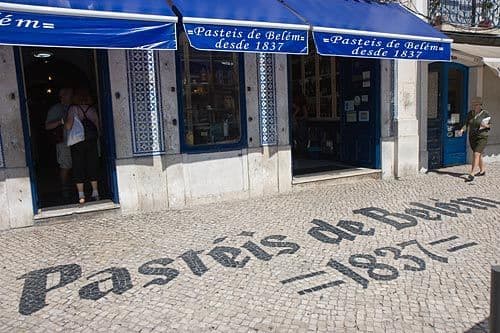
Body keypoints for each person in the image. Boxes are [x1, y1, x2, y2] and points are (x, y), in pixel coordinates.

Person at [65, 88, 100, 204]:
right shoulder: (92, 109)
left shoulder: (73, 109)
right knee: (92, 164)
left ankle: (81, 195)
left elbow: (69, 126)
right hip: (91, 141)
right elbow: (97, 127)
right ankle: (95, 192)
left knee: (78, 166)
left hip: (78, 142)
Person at [45, 88, 73, 199]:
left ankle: (75, 188)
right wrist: (60, 121)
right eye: (70, 95)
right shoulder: (56, 109)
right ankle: (64, 189)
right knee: (65, 166)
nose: (72, 97)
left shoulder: (73, 107)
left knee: (76, 165)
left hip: (76, 140)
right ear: (63, 96)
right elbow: (47, 126)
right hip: (64, 142)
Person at [459, 96, 491, 182]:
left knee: (476, 154)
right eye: (473, 104)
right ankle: (482, 170)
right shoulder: (470, 114)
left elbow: (489, 126)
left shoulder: (485, 114)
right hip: (472, 137)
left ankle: (472, 173)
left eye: (476, 104)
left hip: (482, 137)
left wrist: (485, 125)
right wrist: (462, 130)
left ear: (480, 105)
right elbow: (467, 124)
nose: (474, 106)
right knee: (478, 154)